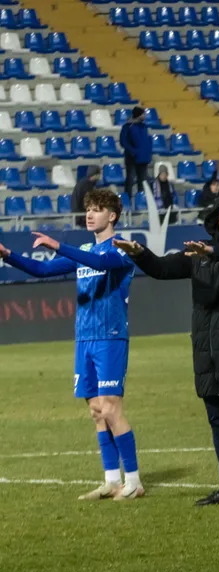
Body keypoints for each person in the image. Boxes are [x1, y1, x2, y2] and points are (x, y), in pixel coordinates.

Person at [115, 195, 219, 507]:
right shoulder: (199, 254)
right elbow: (161, 269)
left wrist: (211, 251)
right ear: (217, 216)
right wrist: (139, 253)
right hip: (207, 351)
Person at [0, 190, 141, 501]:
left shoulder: (122, 248)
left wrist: (58, 246)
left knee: (112, 407)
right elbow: (42, 270)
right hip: (84, 339)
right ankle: (111, 480)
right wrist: (8, 255)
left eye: (97, 209)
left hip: (110, 336)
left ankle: (134, 481)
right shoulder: (85, 250)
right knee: (96, 411)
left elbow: (101, 262)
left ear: (112, 216)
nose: (89, 214)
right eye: (88, 209)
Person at [119, 106, 152, 206]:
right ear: (138, 115)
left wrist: (148, 152)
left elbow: (147, 141)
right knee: (130, 180)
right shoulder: (128, 127)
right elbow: (123, 141)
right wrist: (133, 152)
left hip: (143, 158)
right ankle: (127, 202)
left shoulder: (144, 126)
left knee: (143, 182)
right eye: (143, 114)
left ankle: (141, 202)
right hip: (132, 158)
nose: (144, 116)